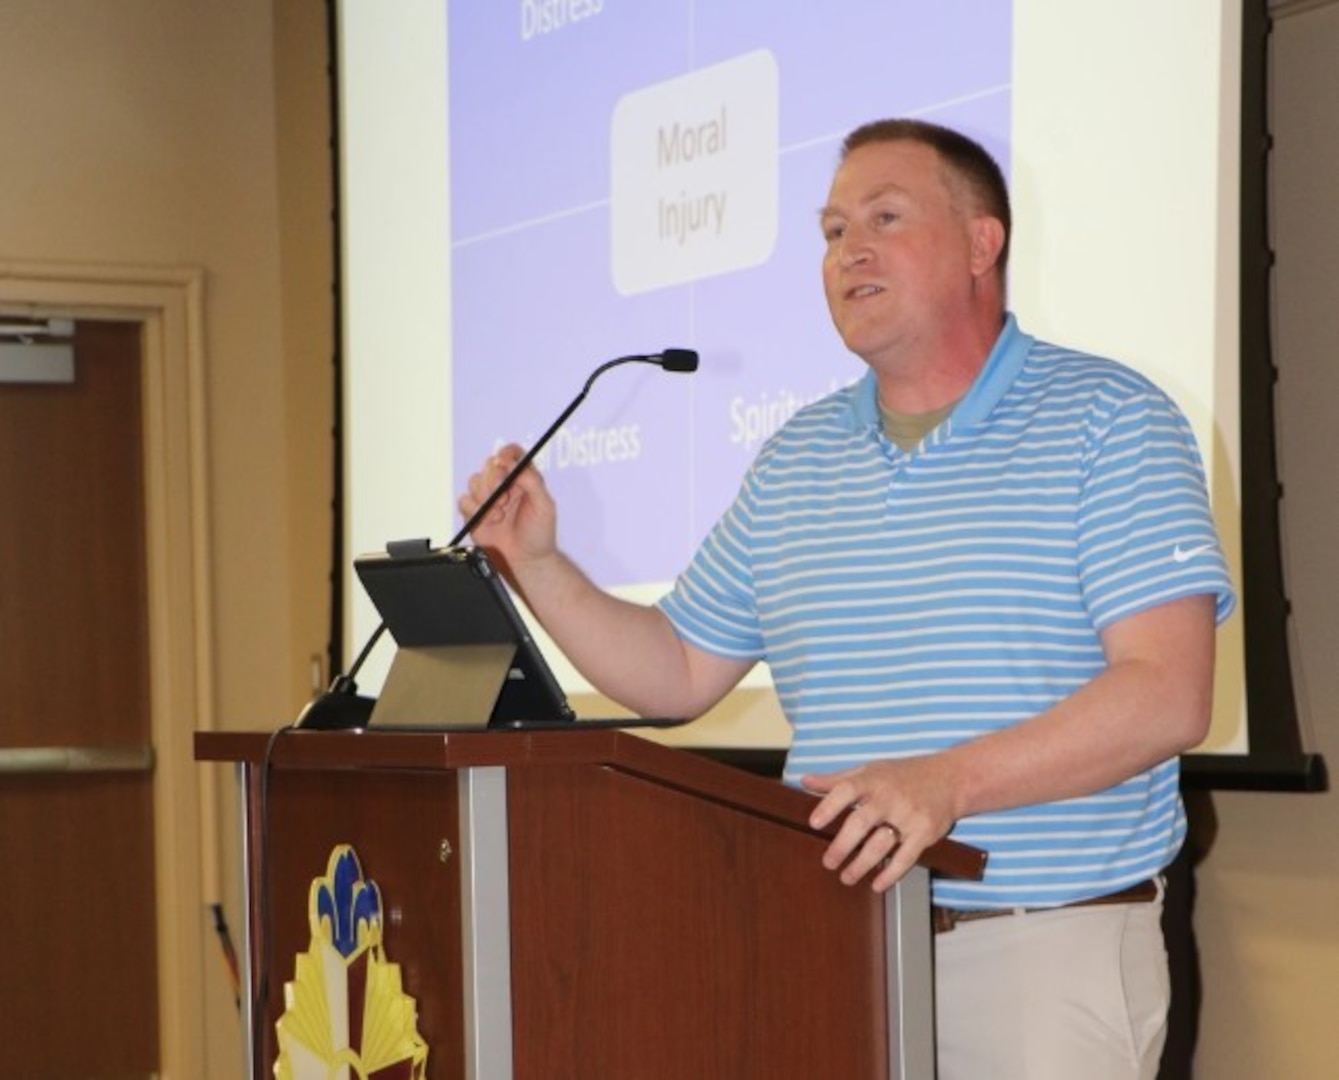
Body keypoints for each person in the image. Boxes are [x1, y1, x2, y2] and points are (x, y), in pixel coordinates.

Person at [459, 118, 1235, 1079]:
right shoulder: (796, 458)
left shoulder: (1110, 420)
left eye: (884, 217)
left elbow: (1166, 695)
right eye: (830, 231)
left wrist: (944, 782)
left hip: (1041, 956)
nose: (847, 250)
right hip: (833, 944)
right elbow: (675, 672)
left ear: (981, 243)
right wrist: (537, 564)